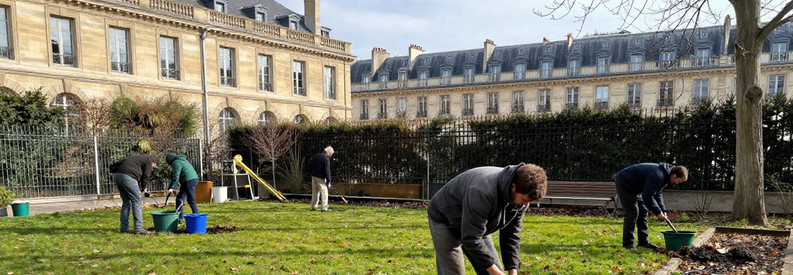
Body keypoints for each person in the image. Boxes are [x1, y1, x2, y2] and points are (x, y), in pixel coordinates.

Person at [428, 163, 547, 275]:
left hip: (478, 225)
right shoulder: (482, 192)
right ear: (513, 187)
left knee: (493, 270)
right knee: (455, 272)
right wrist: (493, 271)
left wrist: (512, 270)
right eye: (525, 200)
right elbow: (471, 238)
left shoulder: (520, 198)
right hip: (445, 218)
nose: (526, 205)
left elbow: (511, 235)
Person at [614, 163, 688, 250]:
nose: (677, 183)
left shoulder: (665, 176)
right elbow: (647, 196)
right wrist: (657, 212)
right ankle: (628, 244)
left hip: (636, 185)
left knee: (643, 212)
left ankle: (643, 242)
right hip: (625, 182)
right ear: (674, 175)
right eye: (678, 181)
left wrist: (662, 210)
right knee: (632, 213)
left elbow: (657, 194)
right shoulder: (658, 175)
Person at [110, 154, 159, 235]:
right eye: (154, 166)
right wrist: (143, 187)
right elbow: (146, 175)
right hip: (128, 176)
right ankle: (139, 228)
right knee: (137, 201)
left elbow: (120, 163)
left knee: (126, 202)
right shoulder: (149, 160)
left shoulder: (138, 158)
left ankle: (124, 228)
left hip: (117, 175)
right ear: (154, 163)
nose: (152, 167)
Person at [166, 153, 199, 222]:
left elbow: (175, 176)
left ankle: (197, 217)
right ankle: (179, 218)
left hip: (188, 180)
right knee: (179, 199)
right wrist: (171, 187)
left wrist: (171, 187)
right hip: (193, 179)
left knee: (190, 199)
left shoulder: (176, 162)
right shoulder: (183, 160)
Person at [309, 146, 334, 212]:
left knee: (315, 192)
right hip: (320, 177)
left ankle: (313, 206)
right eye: (331, 154)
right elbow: (327, 170)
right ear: (328, 152)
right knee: (324, 192)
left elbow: (311, 165)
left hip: (314, 176)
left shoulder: (316, 156)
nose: (330, 156)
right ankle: (324, 207)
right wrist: (328, 181)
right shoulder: (326, 158)